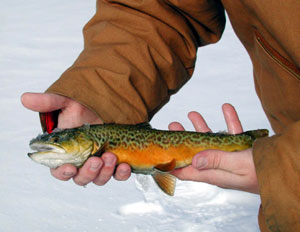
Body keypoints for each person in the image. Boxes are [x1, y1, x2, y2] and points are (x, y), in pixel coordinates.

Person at [21, 1, 300, 231]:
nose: (54, 142)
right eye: (60, 140)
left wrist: (283, 169)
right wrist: (99, 94)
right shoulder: (99, 139)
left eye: (60, 140)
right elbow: (164, 7)